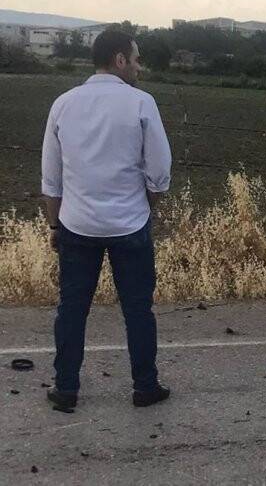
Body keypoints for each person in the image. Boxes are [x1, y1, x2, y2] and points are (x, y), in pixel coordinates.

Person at [41, 30, 172, 410]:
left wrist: (54, 226)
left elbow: (51, 178)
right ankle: (145, 386)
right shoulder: (142, 104)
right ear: (119, 60)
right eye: (135, 59)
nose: (138, 66)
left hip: (77, 225)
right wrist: (147, 204)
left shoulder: (63, 104)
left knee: (71, 308)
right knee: (137, 309)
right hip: (130, 224)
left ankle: (66, 389)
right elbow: (159, 170)